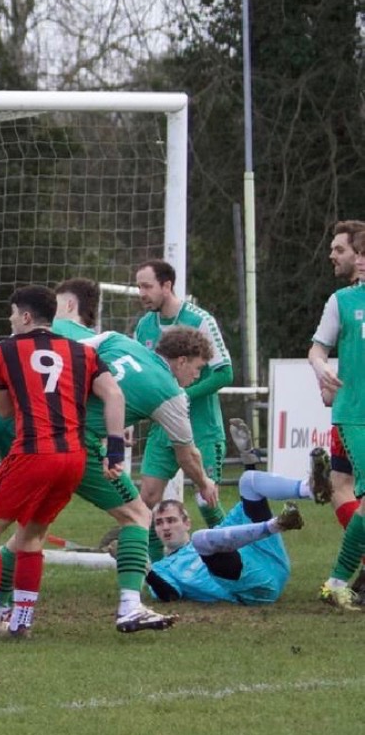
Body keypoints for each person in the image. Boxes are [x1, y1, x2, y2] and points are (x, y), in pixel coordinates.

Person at [0, 278, 215, 633]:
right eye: (198, 369)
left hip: (28, 419)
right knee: (135, 515)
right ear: (183, 360)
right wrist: (204, 483)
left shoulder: (115, 340)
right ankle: (128, 605)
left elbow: (44, 353)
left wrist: (2, 367)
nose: (196, 377)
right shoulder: (173, 395)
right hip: (74, 446)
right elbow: (187, 453)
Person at [0, 285, 125, 644]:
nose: (10, 320)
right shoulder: (81, 353)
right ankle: (21, 622)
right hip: (74, 458)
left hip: (33, 452)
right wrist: (116, 448)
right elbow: (114, 394)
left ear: (26, 317)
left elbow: (2, 410)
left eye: (13, 314)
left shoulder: (6, 351)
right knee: (32, 534)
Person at [145, 452, 332, 605]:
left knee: (248, 481)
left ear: (186, 522)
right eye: (159, 523)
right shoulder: (162, 568)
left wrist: (247, 458)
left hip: (273, 562)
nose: (165, 527)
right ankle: (277, 524)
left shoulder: (219, 532)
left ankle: (310, 489)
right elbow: (170, 595)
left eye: (171, 520)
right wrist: (145, 569)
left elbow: (252, 504)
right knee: (201, 539)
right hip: (254, 589)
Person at [133, 259, 234, 530]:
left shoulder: (200, 320)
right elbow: (140, 377)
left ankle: (233, 562)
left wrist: (182, 397)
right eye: (139, 286)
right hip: (162, 428)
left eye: (147, 286)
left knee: (206, 498)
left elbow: (224, 373)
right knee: (147, 499)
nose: (141, 293)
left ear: (167, 285)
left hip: (201, 427)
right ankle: (154, 568)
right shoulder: (144, 327)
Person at [315, 228, 365, 609]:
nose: (332, 255)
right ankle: (336, 581)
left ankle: (341, 580)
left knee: (342, 487)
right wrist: (322, 370)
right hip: (356, 416)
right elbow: (317, 350)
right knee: (348, 490)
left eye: (340, 249)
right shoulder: (343, 301)